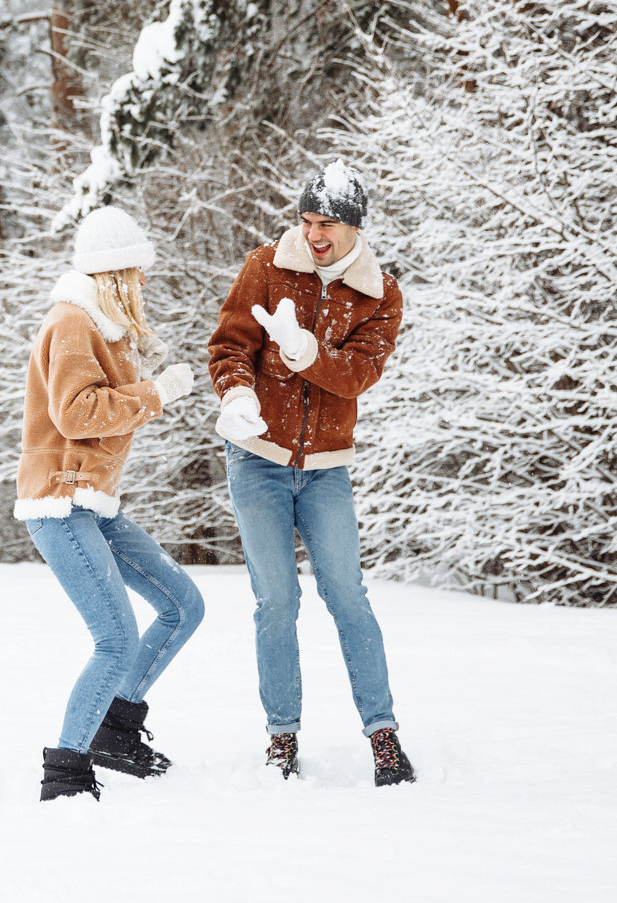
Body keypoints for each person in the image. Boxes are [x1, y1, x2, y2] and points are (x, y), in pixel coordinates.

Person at [205, 162, 417, 787]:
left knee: (348, 597)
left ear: (353, 227)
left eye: (327, 224)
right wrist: (238, 395)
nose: (315, 234)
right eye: (306, 221)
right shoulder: (267, 268)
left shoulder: (380, 295)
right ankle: (282, 739)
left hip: (326, 469)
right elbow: (229, 346)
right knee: (276, 601)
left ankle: (383, 735)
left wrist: (306, 353)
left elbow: (357, 374)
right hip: (258, 461)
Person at [18, 205, 204, 802]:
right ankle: (67, 772)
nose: (146, 282)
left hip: (93, 504)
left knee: (183, 605)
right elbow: (75, 412)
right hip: (59, 502)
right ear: (113, 273)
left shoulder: (104, 327)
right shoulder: (73, 322)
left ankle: (116, 732)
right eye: (138, 271)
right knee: (116, 639)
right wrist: (156, 394)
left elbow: (103, 405)